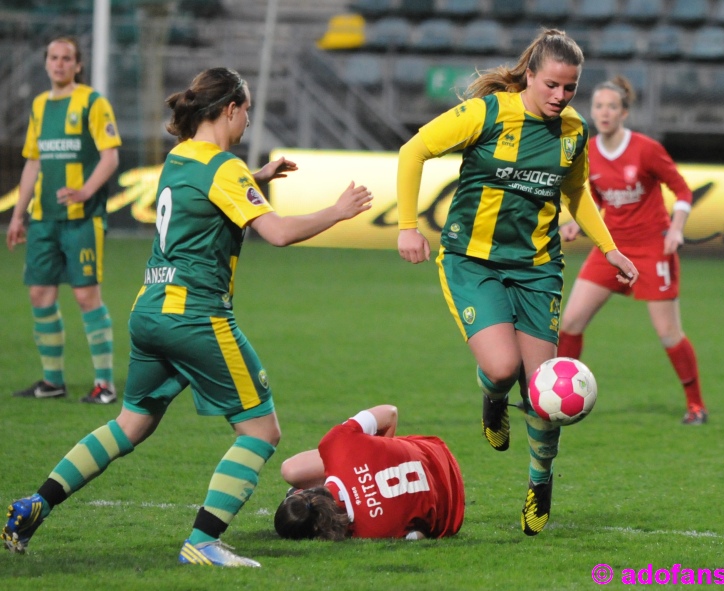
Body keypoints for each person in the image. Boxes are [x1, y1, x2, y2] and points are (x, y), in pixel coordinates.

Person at [2, 67, 373, 567]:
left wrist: (255, 181)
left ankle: (34, 503)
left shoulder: (179, 158)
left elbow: (201, 202)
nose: (248, 121)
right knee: (262, 431)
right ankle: (202, 542)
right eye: (248, 111)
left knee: (130, 424)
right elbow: (279, 233)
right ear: (229, 109)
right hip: (196, 316)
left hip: (149, 310)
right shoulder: (226, 168)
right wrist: (339, 209)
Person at [395, 29, 639, 536]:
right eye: (552, 84)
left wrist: (609, 247)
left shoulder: (572, 132)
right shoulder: (486, 114)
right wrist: (406, 226)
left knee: (544, 387)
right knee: (503, 367)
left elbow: (577, 195)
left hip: (536, 267)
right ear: (530, 74)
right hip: (472, 260)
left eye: (570, 88)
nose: (560, 97)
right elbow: (412, 152)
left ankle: (540, 483)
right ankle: (492, 396)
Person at [558, 75, 707, 425]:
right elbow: (593, 197)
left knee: (668, 333)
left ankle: (696, 405)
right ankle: (563, 404)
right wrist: (577, 223)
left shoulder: (646, 149)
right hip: (612, 248)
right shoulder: (589, 151)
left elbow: (683, 191)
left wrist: (676, 229)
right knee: (571, 322)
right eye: (598, 106)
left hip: (653, 248)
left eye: (612, 106)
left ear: (624, 112)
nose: (604, 112)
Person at [7, 36, 122, 404]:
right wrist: (17, 214)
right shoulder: (40, 105)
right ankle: (52, 381)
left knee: (87, 296)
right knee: (40, 293)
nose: (59, 63)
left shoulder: (92, 102)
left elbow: (110, 157)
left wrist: (86, 191)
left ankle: (104, 383)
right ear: (46, 63)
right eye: (53, 57)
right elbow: (33, 161)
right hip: (44, 219)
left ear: (78, 65)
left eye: (66, 58)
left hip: (82, 219)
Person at [274, 404, 465, 540]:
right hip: (436, 451)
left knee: (413, 534)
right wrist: (383, 453)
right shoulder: (336, 444)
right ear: (303, 492)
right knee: (292, 469)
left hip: (453, 510)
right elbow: (390, 412)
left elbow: (420, 533)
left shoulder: (368, 531)